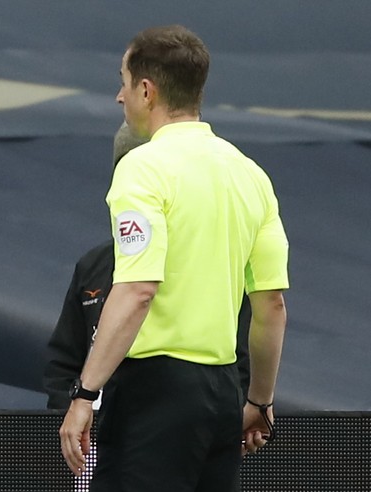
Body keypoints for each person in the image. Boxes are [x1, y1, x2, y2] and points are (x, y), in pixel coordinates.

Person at [58, 25, 289, 492]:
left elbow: (139, 289)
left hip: (153, 395)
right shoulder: (250, 174)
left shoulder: (142, 168)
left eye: (123, 82)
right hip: (223, 394)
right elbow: (271, 307)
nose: (119, 97)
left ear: (147, 90)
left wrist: (85, 394)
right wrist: (259, 401)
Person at [43, 124, 253, 410]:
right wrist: (72, 411)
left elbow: (238, 363)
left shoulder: (215, 267)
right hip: (94, 437)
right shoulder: (93, 265)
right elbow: (63, 362)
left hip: (172, 425)